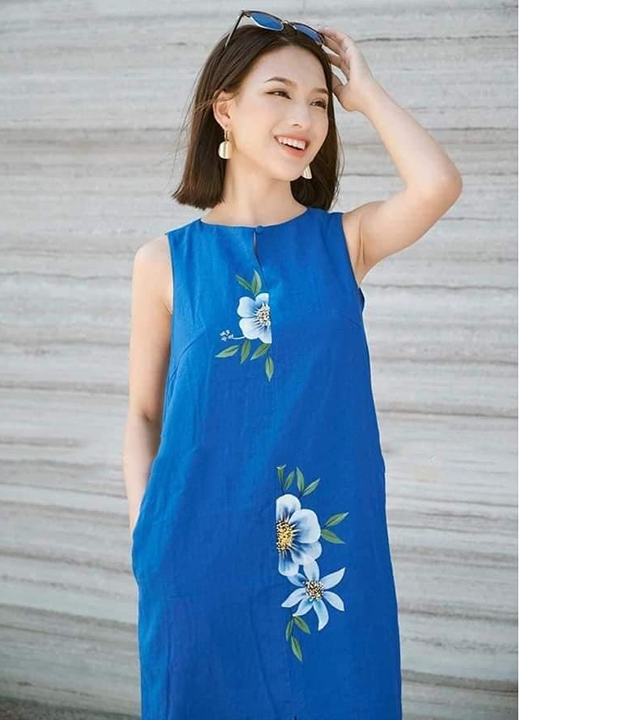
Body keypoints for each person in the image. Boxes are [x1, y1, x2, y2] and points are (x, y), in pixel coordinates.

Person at [122, 12, 462, 720]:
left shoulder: (344, 242)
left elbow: (436, 185)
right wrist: (147, 535)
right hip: (195, 555)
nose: (303, 118)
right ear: (225, 109)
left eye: (319, 103)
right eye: (278, 93)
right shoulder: (164, 263)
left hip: (326, 568)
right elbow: (144, 412)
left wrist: (365, 93)